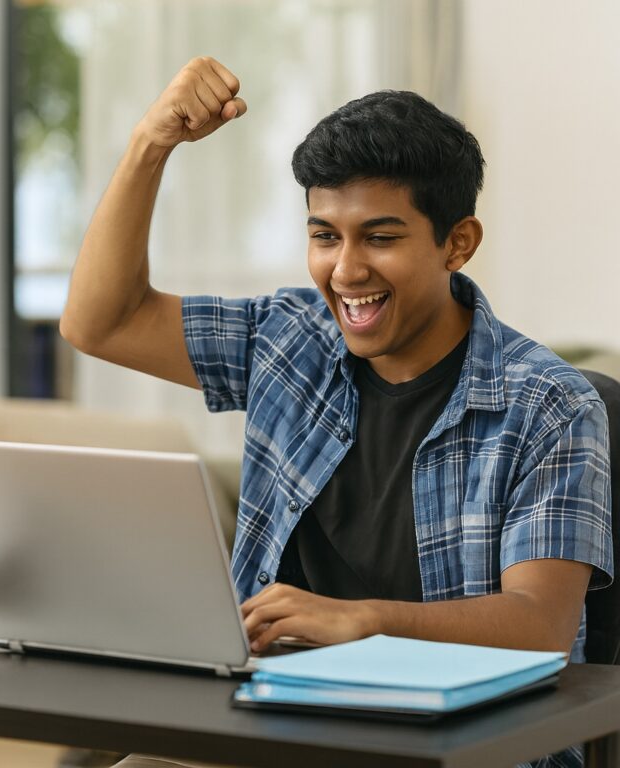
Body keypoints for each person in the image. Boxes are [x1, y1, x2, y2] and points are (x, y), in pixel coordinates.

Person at [60, 57, 612, 768]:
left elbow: (539, 625)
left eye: (380, 237)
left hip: (466, 743)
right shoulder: (291, 341)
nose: (346, 270)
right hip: (274, 716)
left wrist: (362, 623)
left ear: (458, 243)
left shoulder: (550, 405)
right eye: (325, 235)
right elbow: (100, 322)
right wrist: (149, 144)